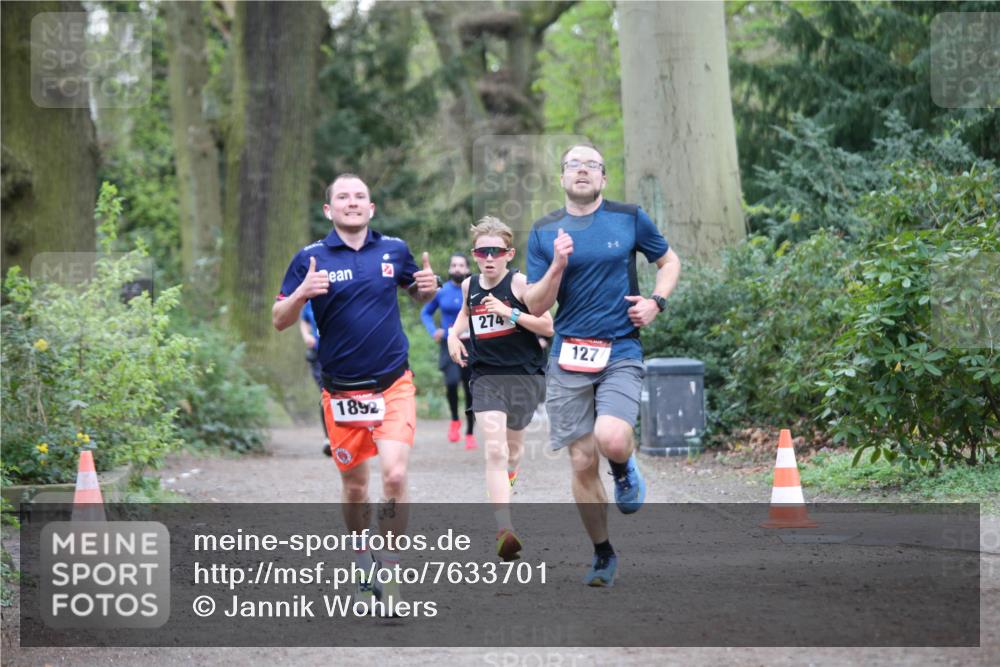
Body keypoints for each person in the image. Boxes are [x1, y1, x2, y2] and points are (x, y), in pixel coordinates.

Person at [272, 173, 440, 610]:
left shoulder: (394, 250)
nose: (352, 202)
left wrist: (428, 291)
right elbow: (278, 318)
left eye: (359, 196)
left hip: (393, 383)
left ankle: (390, 568)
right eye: (342, 197)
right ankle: (361, 558)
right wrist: (301, 295)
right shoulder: (309, 259)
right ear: (328, 210)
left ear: (371, 208)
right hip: (342, 391)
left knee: (396, 475)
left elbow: (419, 293)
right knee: (355, 490)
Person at [524, 143, 681, 587]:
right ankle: (603, 553)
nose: (582, 171)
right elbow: (536, 304)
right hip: (567, 354)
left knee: (611, 437)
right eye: (574, 164)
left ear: (604, 178)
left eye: (592, 165)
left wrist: (656, 302)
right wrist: (556, 265)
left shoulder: (628, 217)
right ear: (561, 178)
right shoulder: (543, 231)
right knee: (579, 461)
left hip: (620, 348)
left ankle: (623, 468)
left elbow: (669, 262)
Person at [448, 217, 553, 561]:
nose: (488, 258)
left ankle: (507, 483)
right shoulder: (469, 286)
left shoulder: (521, 284)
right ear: (475, 255)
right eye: (482, 252)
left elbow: (548, 327)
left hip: (523, 376)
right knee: (494, 451)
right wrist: (452, 334)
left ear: (508, 254)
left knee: (513, 453)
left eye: (495, 252)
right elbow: (464, 316)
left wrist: (510, 314)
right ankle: (504, 530)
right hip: (486, 376)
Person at [421, 253, 477, 449]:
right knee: (452, 382)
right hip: (448, 343)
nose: (457, 268)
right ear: (449, 269)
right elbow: (426, 312)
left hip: (470, 344)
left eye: (461, 265)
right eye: (454, 265)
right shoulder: (442, 291)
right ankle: (455, 420)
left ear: (468, 269)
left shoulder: (475, 290)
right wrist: (433, 330)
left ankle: (470, 433)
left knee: (471, 389)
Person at [299, 301, 333, 457]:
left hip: (339, 354)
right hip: (318, 356)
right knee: (326, 393)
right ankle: (328, 438)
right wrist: (306, 336)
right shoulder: (311, 300)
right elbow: (304, 320)